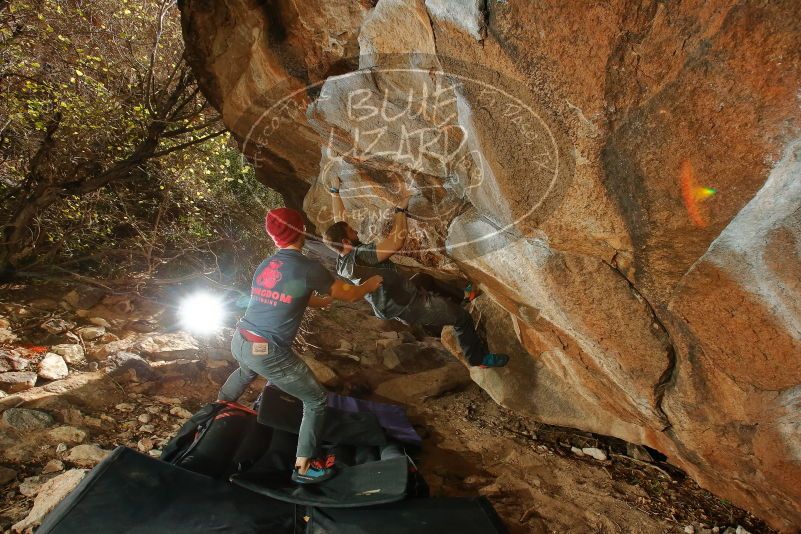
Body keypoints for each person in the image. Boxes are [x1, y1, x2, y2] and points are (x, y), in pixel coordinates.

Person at [218, 207, 383, 484]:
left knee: (246, 371)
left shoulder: (266, 266)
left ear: (274, 237)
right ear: (300, 230)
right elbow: (351, 294)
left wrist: (318, 301)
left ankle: (217, 408)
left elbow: (282, 294)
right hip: (267, 351)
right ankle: (304, 468)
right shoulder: (308, 267)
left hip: (242, 339)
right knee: (316, 399)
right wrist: (370, 284)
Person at [322, 178, 509, 369]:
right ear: (345, 241)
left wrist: (334, 192)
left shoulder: (342, 261)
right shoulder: (362, 256)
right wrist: (400, 211)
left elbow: (339, 222)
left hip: (392, 300)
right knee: (462, 319)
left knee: (424, 279)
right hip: (408, 304)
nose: (355, 231)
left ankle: (464, 296)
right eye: (352, 232)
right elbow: (396, 242)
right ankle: (477, 359)